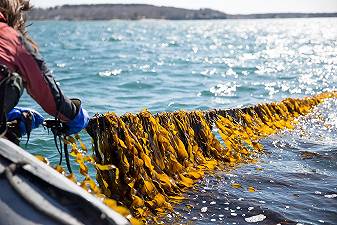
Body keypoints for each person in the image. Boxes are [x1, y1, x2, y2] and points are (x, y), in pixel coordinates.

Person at [0, 0, 89, 144]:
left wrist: (8, 113)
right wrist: (75, 115)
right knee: (14, 79)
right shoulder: (11, 39)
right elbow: (50, 96)